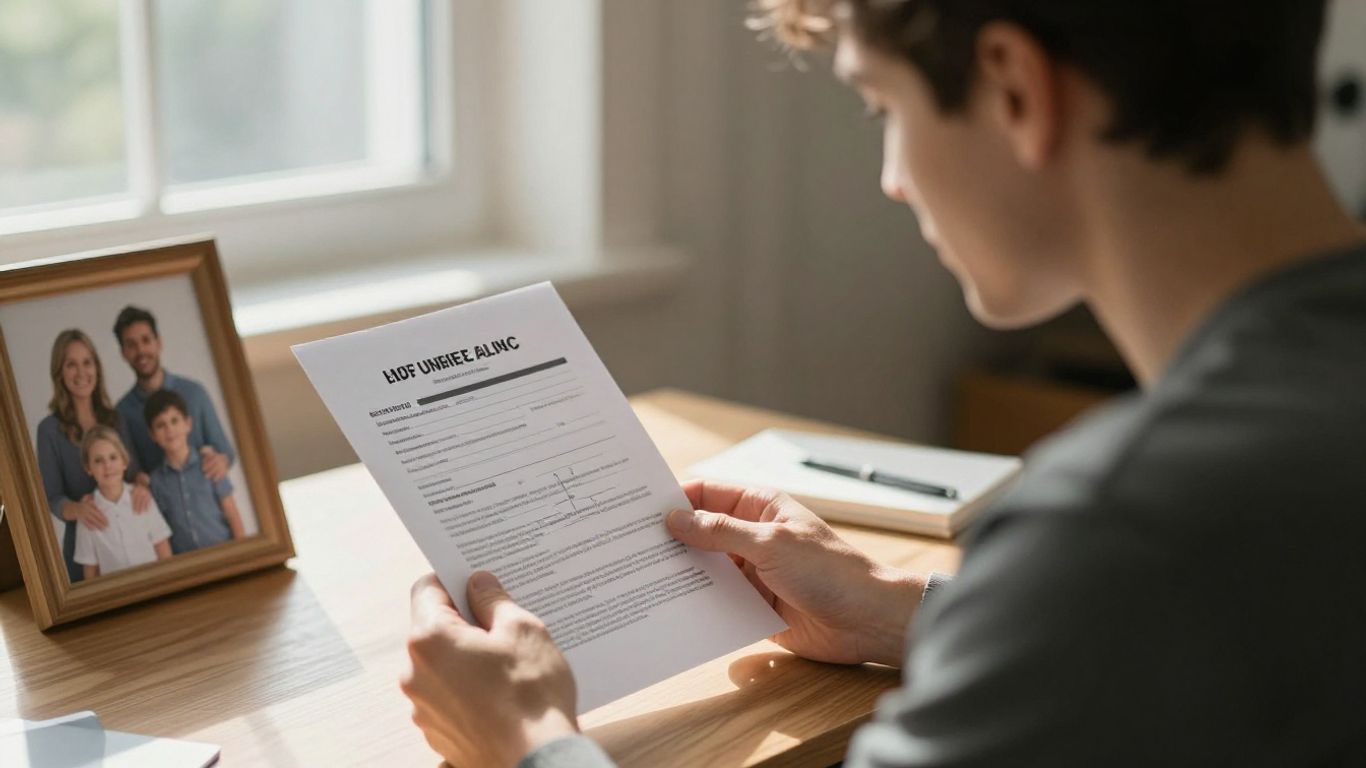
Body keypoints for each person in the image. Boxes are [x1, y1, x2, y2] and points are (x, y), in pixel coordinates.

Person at [401, 1, 1366, 766]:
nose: (893, 180)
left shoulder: (1121, 529)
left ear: (1015, 87)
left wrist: (533, 743)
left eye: (883, 109)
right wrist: (901, 609)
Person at [35, 329, 152, 584]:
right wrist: (77, 509)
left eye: (87, 362)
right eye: (71, 365)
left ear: (96, 368)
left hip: (130, 542)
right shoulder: (49, 430)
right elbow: (51, 497)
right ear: (60, 373)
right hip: (85, 550)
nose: (81, 372)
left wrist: (143, 487)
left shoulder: (115, 419)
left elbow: (135, 473)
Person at [113, 305, 236, 482]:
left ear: (159, 343)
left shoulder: (194, 393)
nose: (141, 351)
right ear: (123, 353)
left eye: (146, 340)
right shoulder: (122, 413)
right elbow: (132, 473)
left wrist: (220, 460)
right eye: (131, 345)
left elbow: (225, 451)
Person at [144, 390, 247, 553]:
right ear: (152, 435)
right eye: (161, 425)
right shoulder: (156, 482)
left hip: (226, 552)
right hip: (188, 562)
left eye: (174, 421)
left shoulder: (210, 464)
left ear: (188, 424)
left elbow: (232, 514)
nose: (169, 429)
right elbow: (161, 532)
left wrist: (243, 553)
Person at [73, 426, 174, 580]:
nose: (107, 466)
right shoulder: (87, 514)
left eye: (113, 457)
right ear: (88, 468)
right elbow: (91, 572)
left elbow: (163, 549)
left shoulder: (143, 498)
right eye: (98, 460)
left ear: (124, 461)